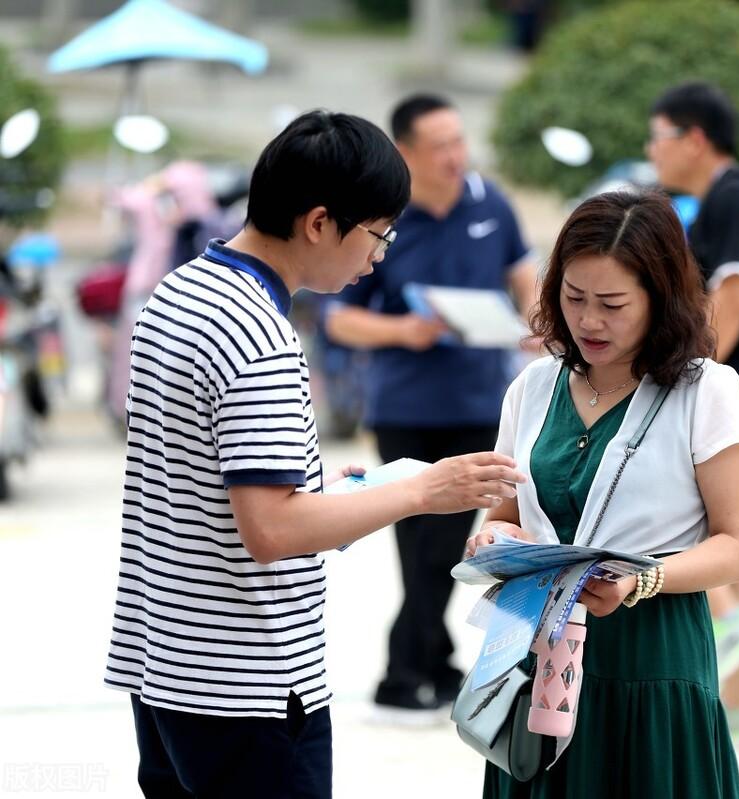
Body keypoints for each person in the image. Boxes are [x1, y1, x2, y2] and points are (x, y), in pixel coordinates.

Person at [103, 110, 525, 799]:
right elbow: (271, 530)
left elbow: (197, 479)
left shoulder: (179, 294)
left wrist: (326, 487)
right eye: (377, 235)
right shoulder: (262, 337)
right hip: (249, 682)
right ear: (320, 222)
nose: (377, 257)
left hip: (165, 665)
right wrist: (426, 491)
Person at [463, 190, 739, 798]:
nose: (589, 321)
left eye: (613, 304)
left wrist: (638, 580)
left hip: (655, 661)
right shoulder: (533, 386)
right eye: (574, 298)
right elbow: (505, 512)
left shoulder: (708, 392)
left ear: (661, 300)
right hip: (537, 659)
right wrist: (497, 538)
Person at [324, 94, 538, 721]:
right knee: (418, 543)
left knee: (443, 543)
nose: (454, 155)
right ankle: (416, 664)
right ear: (406, 153)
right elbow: (340, 320)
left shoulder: (489, 204)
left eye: (459, 140)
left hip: (479, 401)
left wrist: (533, 321)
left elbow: (523, 280)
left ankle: (414, 665)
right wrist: (402, 332)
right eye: (439, 145)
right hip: (406, 408)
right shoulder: (383, 218)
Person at [646, 80, 739, 736]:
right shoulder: (736, 195)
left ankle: (733, 684)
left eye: (659, 137)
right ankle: (736, 708)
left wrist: (686, 379)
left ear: (694, 139)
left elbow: (730, 300)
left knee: (716, 546)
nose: (652, 151)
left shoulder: (733, 197)